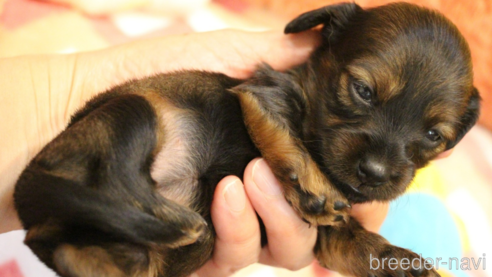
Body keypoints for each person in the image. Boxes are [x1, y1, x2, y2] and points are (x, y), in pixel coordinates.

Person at [0, 29, 394, 276]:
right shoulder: (287, 90)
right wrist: (298, 171)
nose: (378, 164)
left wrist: (384, 261)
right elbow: (258, 103)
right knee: (133, 117)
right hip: (140, 144)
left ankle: (92, 257)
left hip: (159, 227)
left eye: (431, 135)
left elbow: (330, 240)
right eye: (362, 91)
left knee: (179, 252)